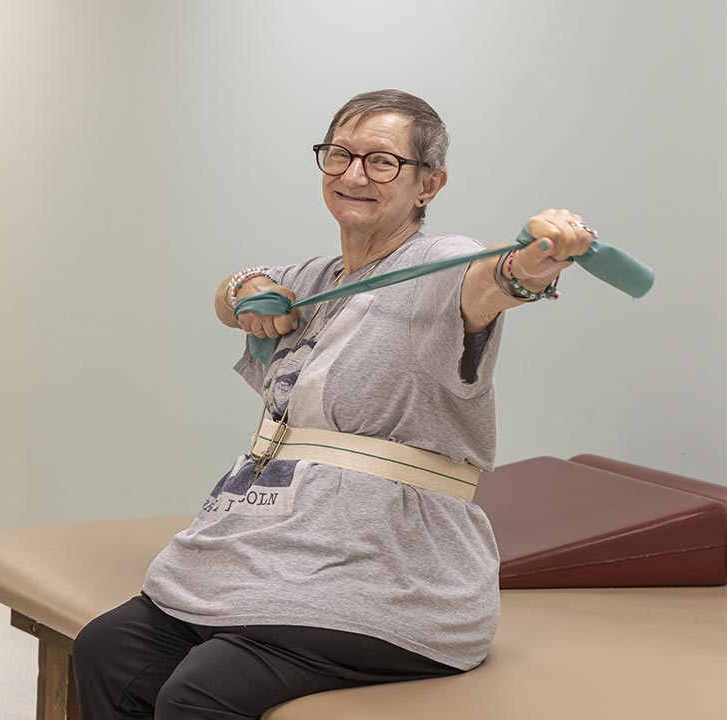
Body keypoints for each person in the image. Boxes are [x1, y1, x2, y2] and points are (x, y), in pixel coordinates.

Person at [72, 89, 597, 718]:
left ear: (429, 184)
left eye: (382, 162)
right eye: (339, 155)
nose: (353, 174)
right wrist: (248, 288)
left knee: (201, 692)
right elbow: (228, 291)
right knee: (107, 648)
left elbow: (498, 282)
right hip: (272, 552)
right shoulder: (319, 277)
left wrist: (539, 260)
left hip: (391, 576)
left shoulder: (443, 262)